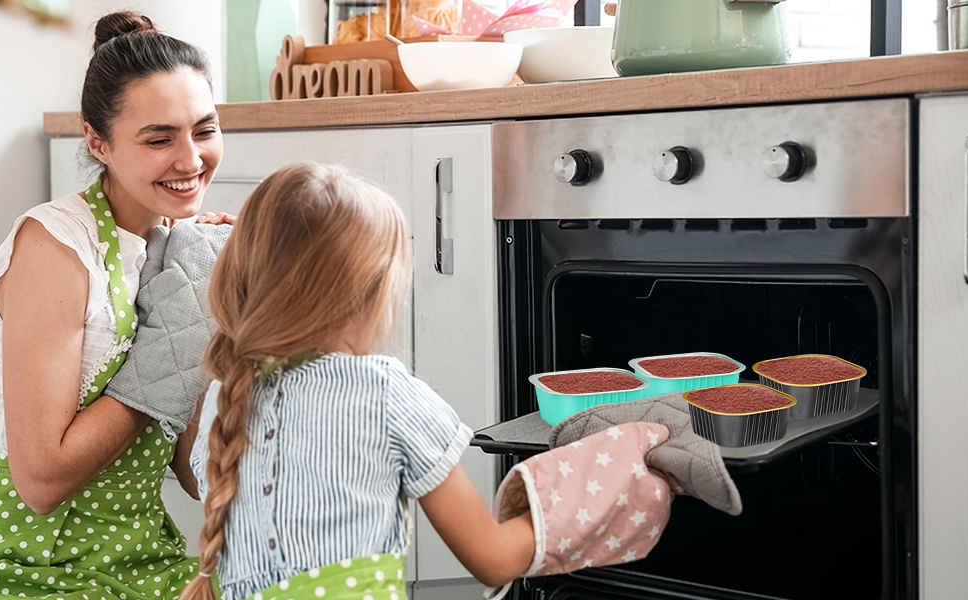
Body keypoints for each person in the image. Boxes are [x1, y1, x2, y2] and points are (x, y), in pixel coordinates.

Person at [182, 163, 689, 600]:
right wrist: (607, 476)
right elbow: (492, 558)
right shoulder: (381, 393)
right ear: (370, 295)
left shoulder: (224, 394)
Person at [0, 11, 229, 600]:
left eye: (205, 129)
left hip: (137, 551)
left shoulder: (182, 247)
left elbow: (187, 459)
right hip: (24, 563)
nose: (191, 159)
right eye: (160, 138)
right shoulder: (56, 246)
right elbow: (40, 480)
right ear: (97, 140)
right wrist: (177, 338)